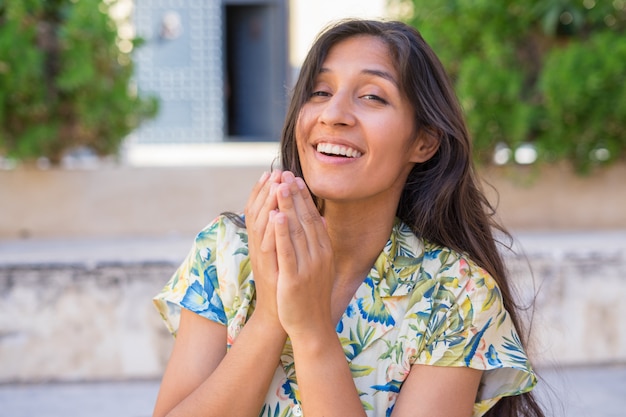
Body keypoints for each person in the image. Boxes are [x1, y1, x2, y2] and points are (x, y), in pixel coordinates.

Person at [152, 19, 545, 417]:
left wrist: (311, 332)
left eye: (373, 97)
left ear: (424, 141)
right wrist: (269, 317)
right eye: (320, 92)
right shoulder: (226, 252)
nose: (333, 114)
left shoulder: (455, 295)